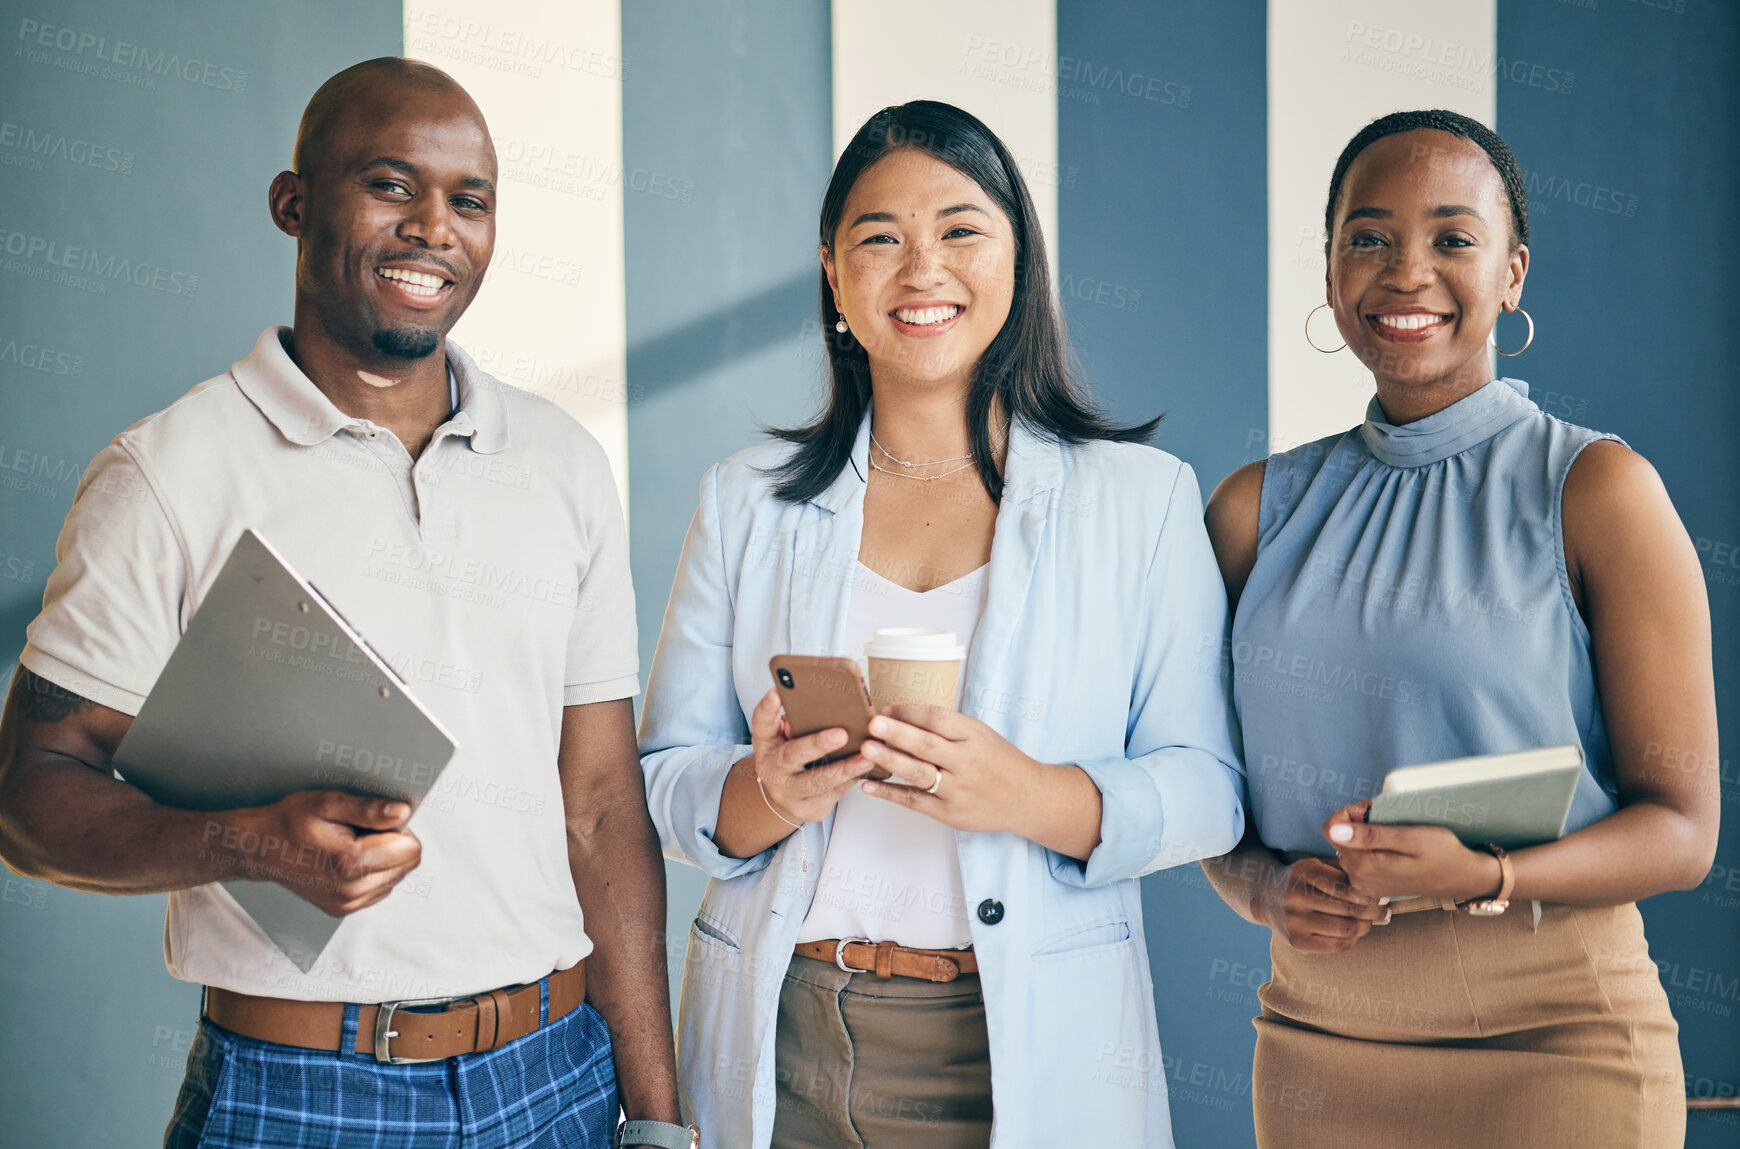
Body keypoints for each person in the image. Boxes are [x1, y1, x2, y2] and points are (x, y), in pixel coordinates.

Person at [0, 58, 693, 1149]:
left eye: (469, 200)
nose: (434, 228)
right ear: (294, 204)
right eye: (390, 185)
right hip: (302, 1092)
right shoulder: (167, 474)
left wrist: (659, 1120)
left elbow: (602, 808)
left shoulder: (559, 462)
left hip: (557, 1079)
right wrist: (255, 845)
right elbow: (30, 796)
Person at [638, 100, 1244, 1148]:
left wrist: (1033, 796)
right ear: (834, 274)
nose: (923, 269)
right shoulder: (745, 500)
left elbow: (1212, 790)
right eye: (881, 238)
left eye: (961, 231)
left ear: (1019, 263)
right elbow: (661, 779)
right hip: (783, 1037)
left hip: (1024, 1048)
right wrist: (762, 791)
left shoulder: (1140, 501)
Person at [1201, 109, 1718, 1148]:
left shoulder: (1598, 489)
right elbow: (1199, 785)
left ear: (1513, 272)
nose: (1406, 271)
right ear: (1332, 264)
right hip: (1317, 1048)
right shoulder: (1254, 510)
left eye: (1452, 238)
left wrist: (1490, 876)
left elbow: (1684, 830)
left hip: (1559, 1047)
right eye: (1368, 237)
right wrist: (1265, 890)